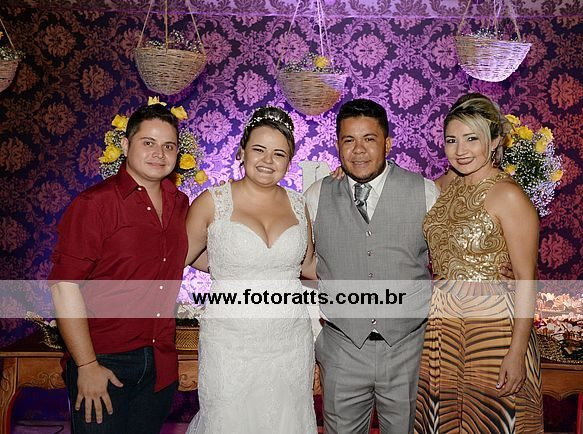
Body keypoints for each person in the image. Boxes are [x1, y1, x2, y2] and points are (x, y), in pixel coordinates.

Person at [49, 104, 189, 432]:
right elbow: (63, 287)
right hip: (104, 361)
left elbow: (201, 254)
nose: (159, 153)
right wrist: (86, 365)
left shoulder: (180, 203)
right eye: (148, 142)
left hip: (159, 364)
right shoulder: (95, 204)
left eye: (168, 146)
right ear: (125, 145)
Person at [304, 98, 438, 433]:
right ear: (337, 146)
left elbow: (444, 267)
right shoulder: (316, 195)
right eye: (349, 140)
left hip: (408, 349)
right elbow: (304, 267)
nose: (358, 150)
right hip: (342, 348)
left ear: (387, 143)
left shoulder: (425, 192)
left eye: (369, 139)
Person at [414, 93, 543, 433]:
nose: (460, 150)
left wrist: (516, 353)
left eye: (472, 139)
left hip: (493, 332)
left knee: (489, 421)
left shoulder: (508, 195)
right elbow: (395, 189)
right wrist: (348, 173)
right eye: (451, 140)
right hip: (442, 328)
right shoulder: (444, 186)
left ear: (496, 140)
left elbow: (526, 279)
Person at [185, 106, 317, 433]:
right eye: (259, 149)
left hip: (290, 339)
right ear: (242, 151)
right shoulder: (211, 201)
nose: (267, 160)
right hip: (230, 340)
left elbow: (308, 266)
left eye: (279, 154)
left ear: (289, 161)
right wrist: (225, 268)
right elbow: (180, 257)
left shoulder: (299, 204)